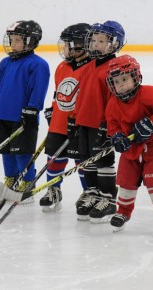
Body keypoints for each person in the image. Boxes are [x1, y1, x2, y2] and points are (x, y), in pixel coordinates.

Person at [105, 55, 153, 233]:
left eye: (124, 79)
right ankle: (123, 212)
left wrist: (152, 124)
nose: (120, 84)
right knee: (126, 185)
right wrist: (117, 137)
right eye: (116, 81)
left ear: (136, 76)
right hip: (130, 152)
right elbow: (112, 125)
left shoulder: (150, 93)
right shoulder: (113, 104)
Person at [69, 20, 126, 223]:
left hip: (102, 124)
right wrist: (73, 119)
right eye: (93, 40)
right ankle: (92, 192)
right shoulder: (89, 66)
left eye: (101, 41)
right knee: (87, 160)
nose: (95, 44)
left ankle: (108, 198)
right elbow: (81, 95)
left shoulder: (115, 67)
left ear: (114, 43)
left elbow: (115, 101)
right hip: (84, 122)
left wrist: (109, 126)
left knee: (103, 161)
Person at [0, 20, 50, 204]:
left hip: (23, 117)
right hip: (3, 115)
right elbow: (0, 88)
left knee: (22, 152)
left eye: (17, 40)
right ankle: (12, 180)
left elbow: (38, 89)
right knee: (5, 151)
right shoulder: (5, 63)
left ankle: (27, 183)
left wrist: (33, 108)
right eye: (11, 39)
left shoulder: (38, 64)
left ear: (31, 41)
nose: (12, 44)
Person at [39, 23, 91, 212]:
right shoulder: (62, 67)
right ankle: (53, 190)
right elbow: (58, 93)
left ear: (84, 45)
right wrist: (53, 110)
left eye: (71, 44)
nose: (66, 48)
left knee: (81, 160)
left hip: (79, 124)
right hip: (59, 122)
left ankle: (88, 191)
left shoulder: (91, 68)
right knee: (54, 156)